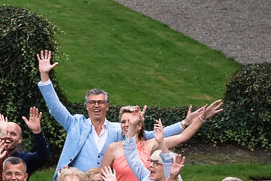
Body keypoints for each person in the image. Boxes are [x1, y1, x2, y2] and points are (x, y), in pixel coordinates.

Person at [36, 50, 187, 170]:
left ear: (107, 106)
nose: (96, 106)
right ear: (86, 106)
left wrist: (184, 122)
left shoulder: (118, 129)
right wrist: (44, 75)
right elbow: (55, 107)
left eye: (100, 102)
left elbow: (150, 136)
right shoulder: (75, 124)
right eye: (92, 102)